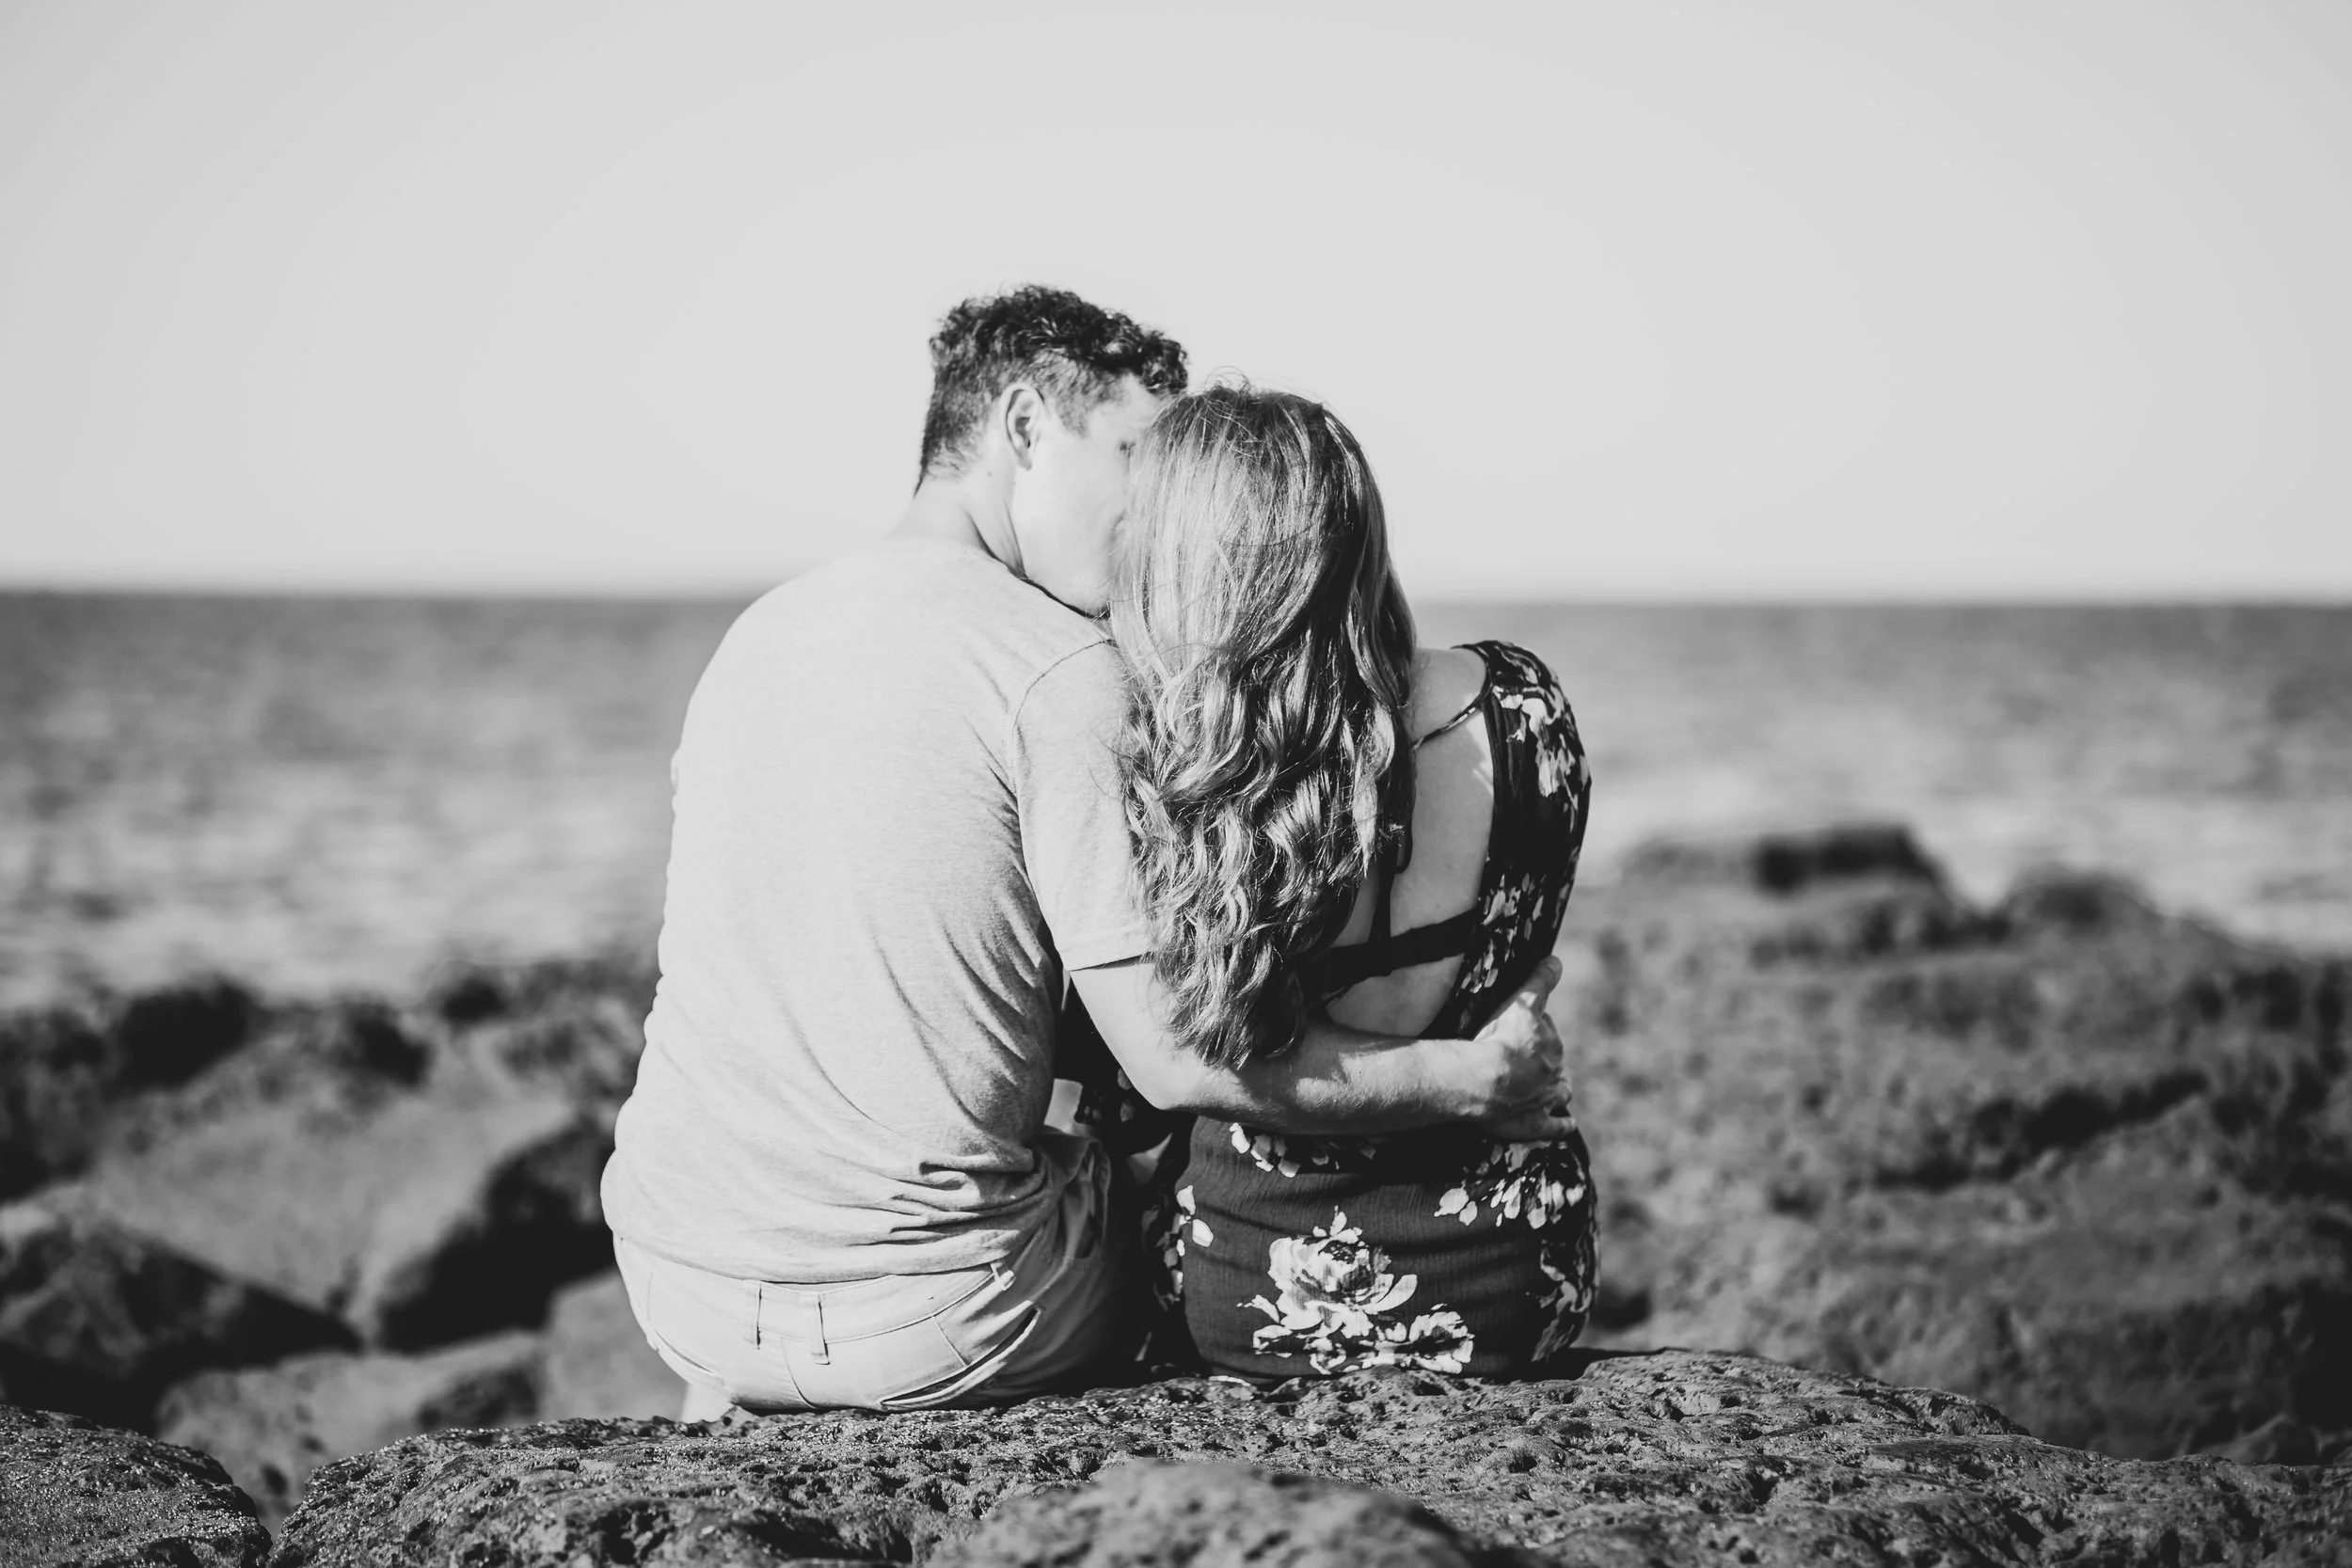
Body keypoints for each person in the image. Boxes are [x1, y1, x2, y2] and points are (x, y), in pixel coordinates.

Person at [599, 288, 1576, 1417]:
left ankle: (735, 1390)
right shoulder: (1060, 674)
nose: (1149, 512)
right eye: (1131, 456)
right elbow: (1176, 1063)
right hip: (939, 1320)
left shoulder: (757, 635)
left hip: (675, 1284)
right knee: (1141, 1168)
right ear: (1024, 425)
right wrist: (1466, 1077)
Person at [1103, 384, 1597, 1380]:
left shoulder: (1182, 768)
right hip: (1511, 1276)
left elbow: (1187, 1061)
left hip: (1252, 1286)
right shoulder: (1522, 707)